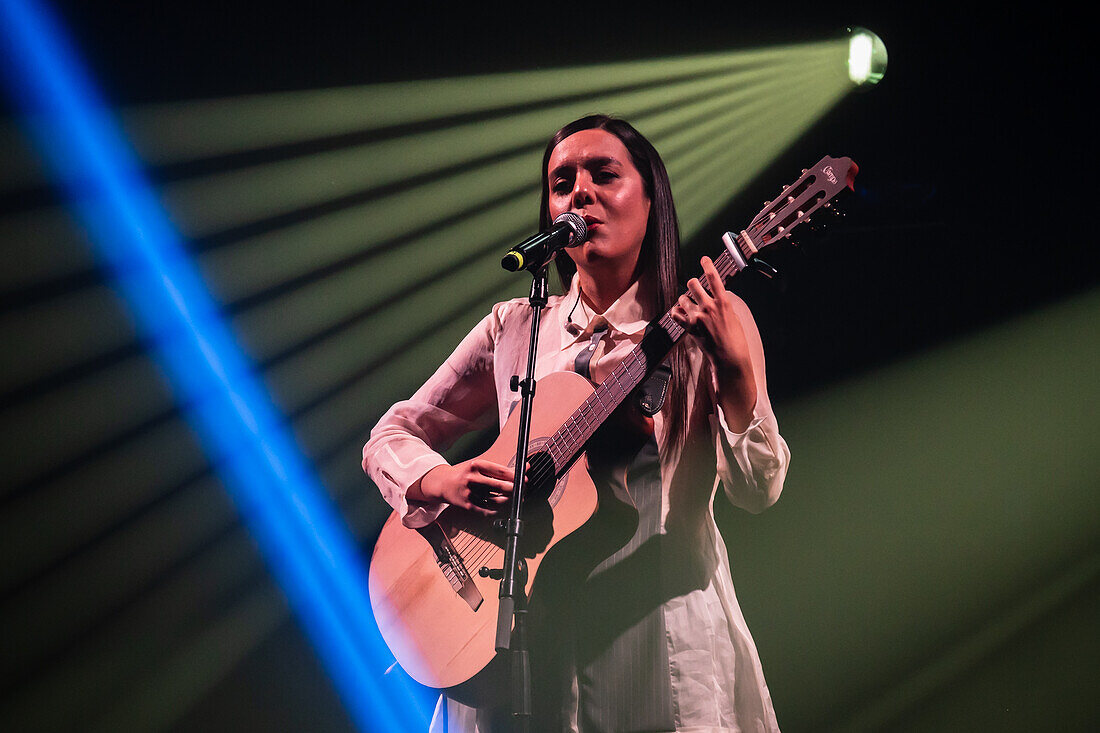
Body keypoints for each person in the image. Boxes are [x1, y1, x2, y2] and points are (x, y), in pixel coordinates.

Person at [363, 114, 790, 732]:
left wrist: (737, 374)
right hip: (523, 651)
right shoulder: (515, 329)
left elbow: (759, 489)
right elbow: (393, 434)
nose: (580, 193)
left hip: (661, 647)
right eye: (562, 183)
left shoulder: (711, 320)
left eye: (604, 175)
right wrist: (440, 482)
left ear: (651, 201)